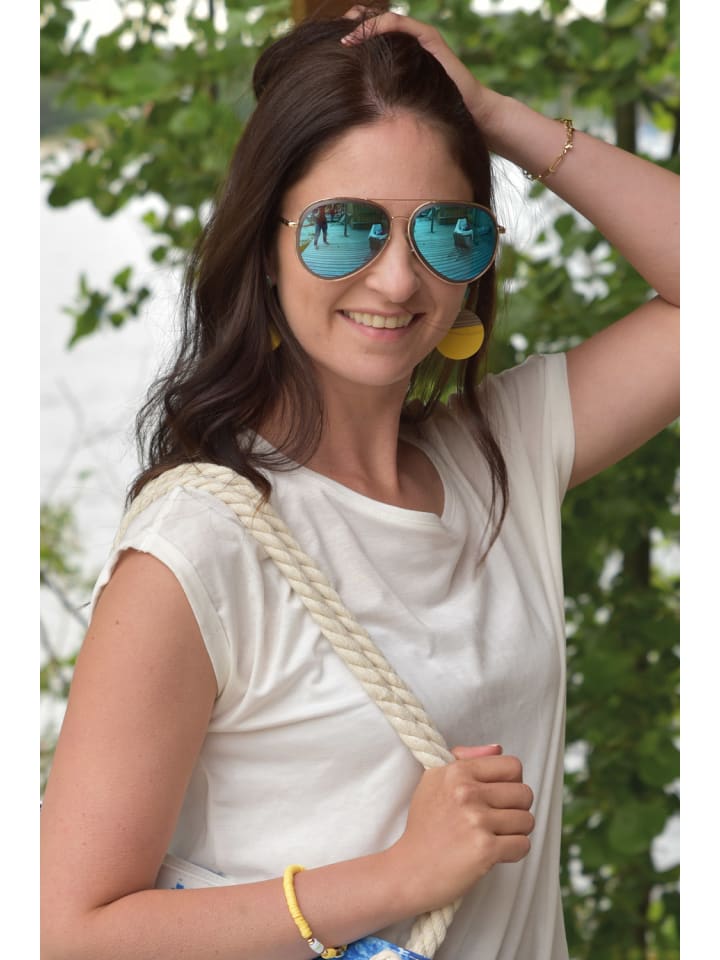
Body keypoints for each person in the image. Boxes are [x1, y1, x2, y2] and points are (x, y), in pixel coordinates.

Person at [40, 7, 679, 960]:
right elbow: (65, 930)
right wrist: (398, 878)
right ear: (265, 243)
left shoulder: (501, 454)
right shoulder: (199, 544)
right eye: (345, 228)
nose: (397, 280)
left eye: (447, 230)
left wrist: (495, 117)